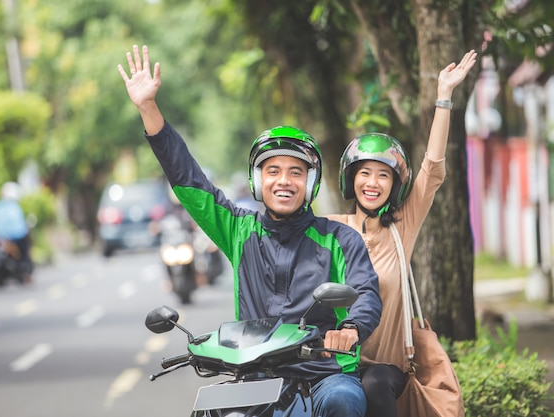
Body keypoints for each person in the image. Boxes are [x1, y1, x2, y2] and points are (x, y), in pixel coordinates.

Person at [118, 44, 382, 417]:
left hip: (325, 373)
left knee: (344, 401)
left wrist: (352, 327)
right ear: (258, 181)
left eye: (295, 172)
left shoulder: (340, 239)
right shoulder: (239, 230)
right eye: (272, 171)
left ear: (311, 182)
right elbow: (189, 180)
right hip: (256, 378)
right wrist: (149, 108)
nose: (284, 181)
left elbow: (366, 291)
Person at [326, 50, 478, 417]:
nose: (372, 182)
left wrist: (443, 96)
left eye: (383, 175)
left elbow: (433, 169)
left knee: (374, 386)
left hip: (386, 368)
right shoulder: (329, 231)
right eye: (364, 173)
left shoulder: (400, 228)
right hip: (334, 365)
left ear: (394, 185)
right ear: (351, 179)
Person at [0, 181, 34, 283]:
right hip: (16, 237)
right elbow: (20, 226)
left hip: (0, 237)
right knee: (25, 251)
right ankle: (25, 271)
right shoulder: (14, 207)